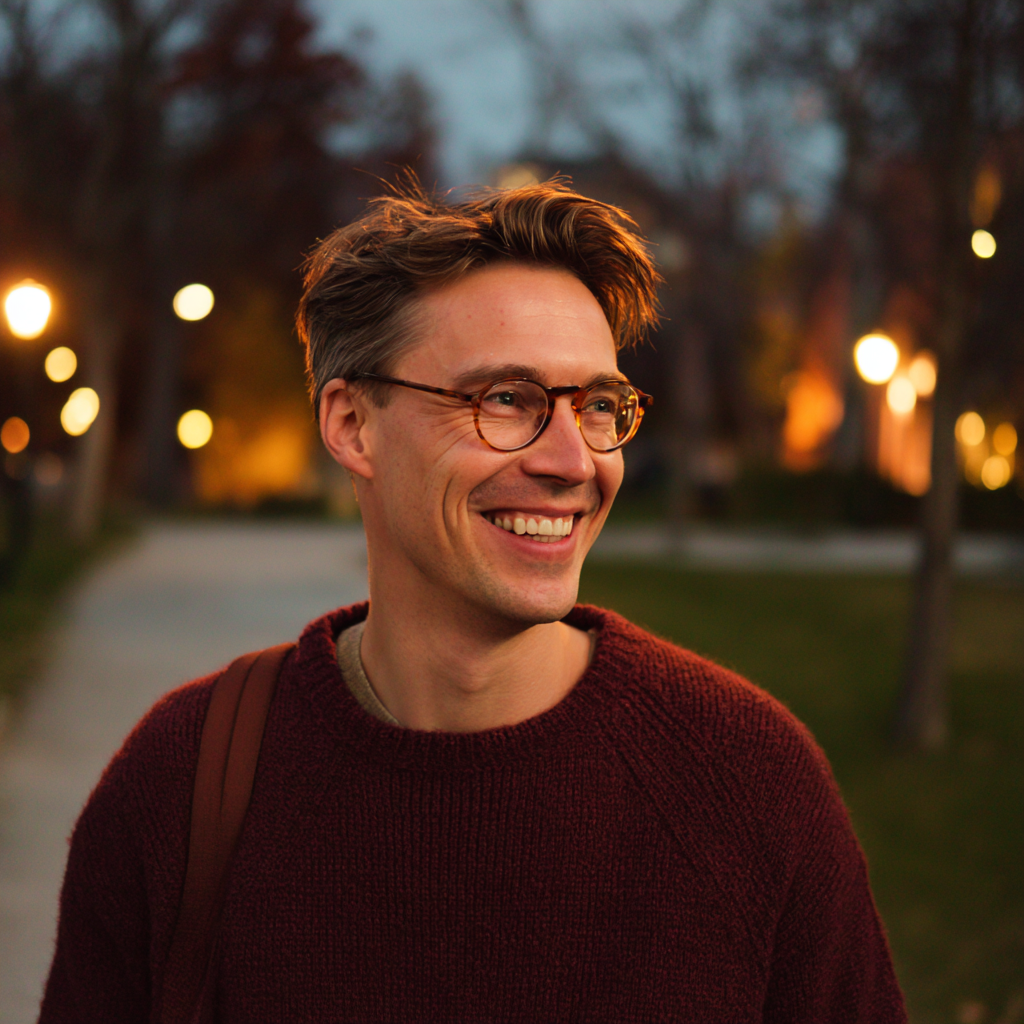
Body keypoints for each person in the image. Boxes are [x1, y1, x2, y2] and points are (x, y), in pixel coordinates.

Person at [40, 181, 906, 1022]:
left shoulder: (746, 783)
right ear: (351, 425)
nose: (573, 461)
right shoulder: (185, 783)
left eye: (599, 405)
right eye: (505, 399)